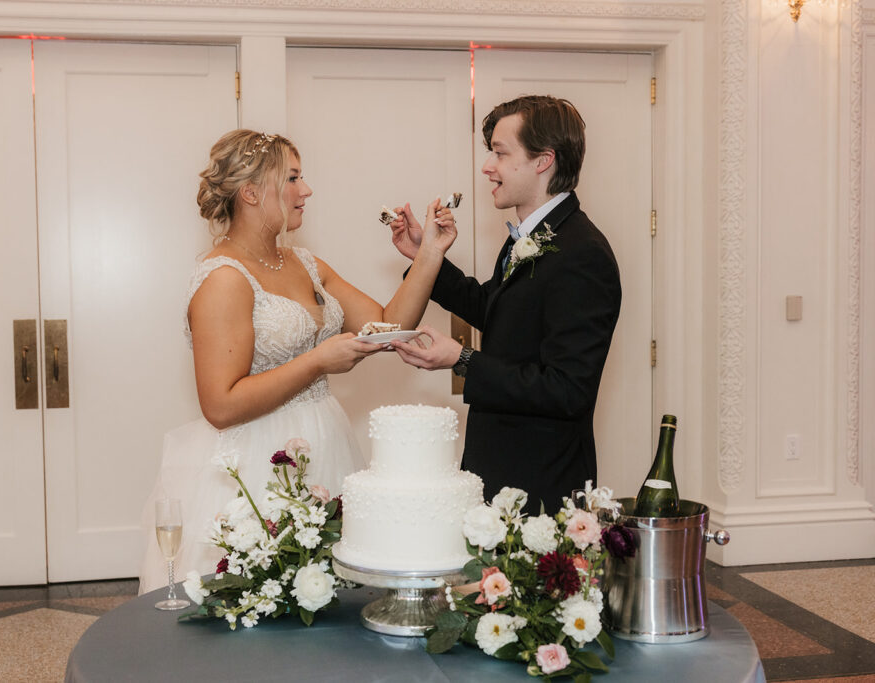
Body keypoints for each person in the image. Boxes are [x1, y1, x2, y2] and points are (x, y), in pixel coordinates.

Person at [138, 129, 455, 593]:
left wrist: (430, 253)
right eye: (292, 178)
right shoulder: (224, 279)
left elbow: (389, 324)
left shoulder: (306, 263)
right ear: (250, 192)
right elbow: (220, 405)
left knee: (331, 592)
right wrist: (316, 362)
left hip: (325, 441)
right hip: (255, 459)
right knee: (264, 593)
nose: (305, 190)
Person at [386, 95, 621, 513]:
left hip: (539, 481)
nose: (487, 167)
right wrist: (428, 257)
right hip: (500, 462)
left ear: (543, 160)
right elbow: (494, 309)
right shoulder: (530, 237)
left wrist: (462, 359)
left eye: (499, 153)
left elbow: (568, 390)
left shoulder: (583, 253)